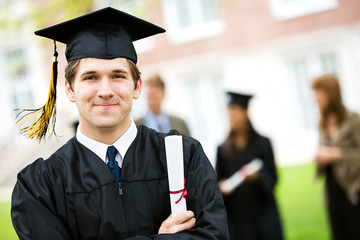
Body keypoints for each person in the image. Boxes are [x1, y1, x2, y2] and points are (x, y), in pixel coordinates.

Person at [11, 7, 229, 239]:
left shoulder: (184, 157)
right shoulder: (41, 187)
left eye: (117, 75)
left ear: (137, 87)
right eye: (91, 77)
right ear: (69, 89)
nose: (105, 91)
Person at [216, 92, 283, 240]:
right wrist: (221, 187)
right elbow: (218, 181)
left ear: (245, 113)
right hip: (238, 217)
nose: (231, 117)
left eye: (234, 111)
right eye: (229, 113)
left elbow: (274, 179)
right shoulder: (223, 149)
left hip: (263, 214)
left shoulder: (263, 143)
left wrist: (258, 177)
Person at [312, 74, 360, 240]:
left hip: (353, 189)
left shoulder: (353, 119)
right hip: (332, 190)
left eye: (318, 93)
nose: (315, 99)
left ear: (330, 93)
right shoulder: (322, 123)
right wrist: (320, 158)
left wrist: (338, 154)